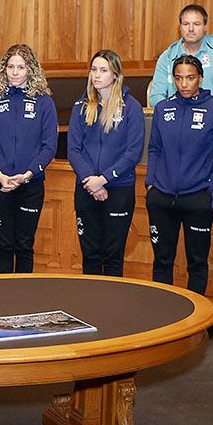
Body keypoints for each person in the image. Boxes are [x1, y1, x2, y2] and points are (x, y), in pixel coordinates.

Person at [145, 54, 213, 293]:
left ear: (200, 78)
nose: (184, 84)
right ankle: (162, 320)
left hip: (198, 197)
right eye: (179, 78)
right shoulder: (163, 108)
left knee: (197, 263)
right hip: (162, 196)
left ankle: (194, 323)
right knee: (162, 262)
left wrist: (212, 192)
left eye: (190, 78)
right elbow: (155, 149)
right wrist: (151, 184)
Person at [0, 44, 56, 273]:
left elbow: (49, 146)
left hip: (30, 184)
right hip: (0, 184)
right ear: (4, 69)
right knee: (4, 245)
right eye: (10, 66)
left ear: (30, 70)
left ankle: (25, 300)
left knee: (24, 245)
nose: (15, 72)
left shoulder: (44, 103)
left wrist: (28, 174)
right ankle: (3, 301)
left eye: (21, 67)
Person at [68, 50, 146, 276]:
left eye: (103, 70)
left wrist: (103, 180)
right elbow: (73, 149)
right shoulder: (81, 106)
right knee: (90, 254)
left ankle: (112, 309)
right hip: (86, 188)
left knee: (113, 256)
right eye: (94, 70)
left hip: (119, 189)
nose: (97, 75)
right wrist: (91, 181)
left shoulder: (131, 107)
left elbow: (133, 153)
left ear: (115, 74)